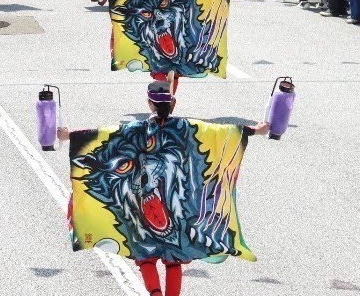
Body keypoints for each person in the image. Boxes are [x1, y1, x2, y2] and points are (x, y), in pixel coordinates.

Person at [57, 83, 270, 296]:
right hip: (173, 202)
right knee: (174, 257)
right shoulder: (185, 127)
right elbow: (222, 132)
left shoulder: (135, 129)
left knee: (144, 255)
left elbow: (103, 135)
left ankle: (155, 293)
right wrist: (256, 130)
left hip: (141, 203)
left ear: (149, 103)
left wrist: (69, 135)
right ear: (173, 104)